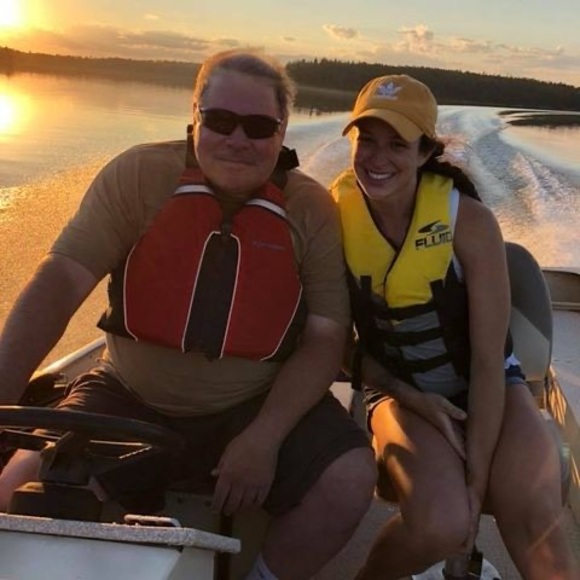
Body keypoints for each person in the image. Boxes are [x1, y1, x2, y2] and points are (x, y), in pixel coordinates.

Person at [0, 49, 377, 580]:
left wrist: (265, 436)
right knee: (17, 488)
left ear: (282, 130)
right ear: (194, 114)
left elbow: (326, 337)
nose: (238, 139)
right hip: (128, 393)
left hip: (254, 402)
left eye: (258, 127)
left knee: (350, 480)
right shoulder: (137, 176)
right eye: (220, 121)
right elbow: (60, 281)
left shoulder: (311, 209)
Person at [331, 74, 580, 580]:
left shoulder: (470, 222)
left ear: (426, 152)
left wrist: (475, 480)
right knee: (441, 526)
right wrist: (413, 397)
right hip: (398, 390)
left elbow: (489, 361)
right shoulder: (332, 216)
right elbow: (335, 345)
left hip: (490, 385)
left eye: (397, 144)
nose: (377, 158)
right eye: (367, 140)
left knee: (537, 516)